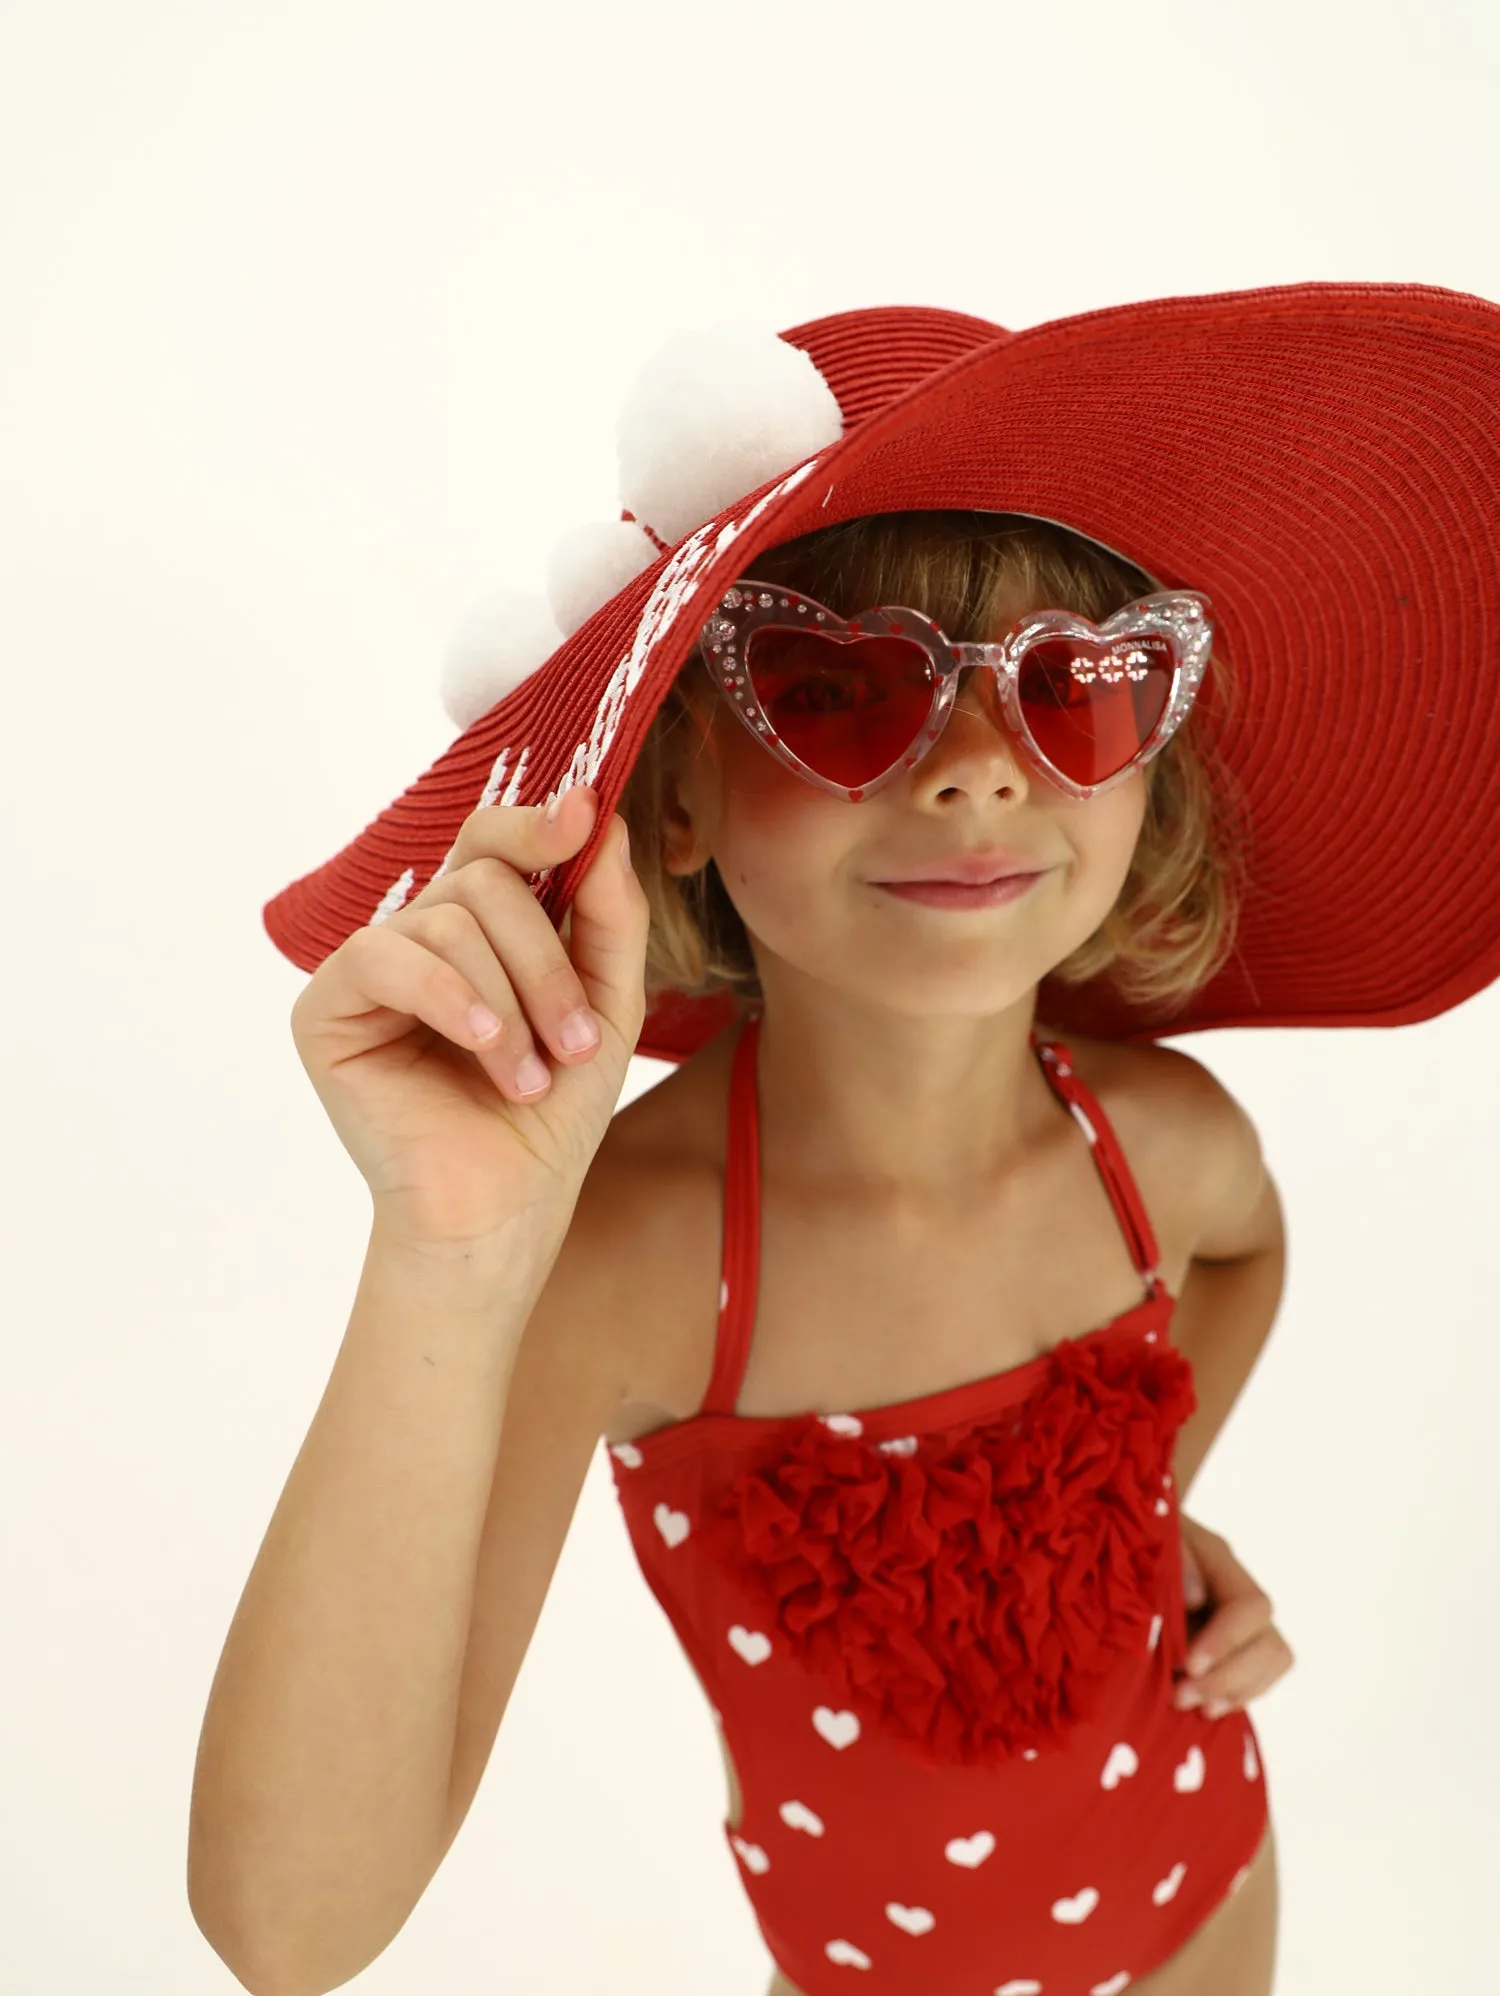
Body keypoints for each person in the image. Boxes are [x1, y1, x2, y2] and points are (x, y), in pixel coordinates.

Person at [188, 289, 1500, 1996]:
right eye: (838, 688)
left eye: (1072, 691)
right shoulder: (629, 1271)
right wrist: (446, 1255)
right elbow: (289, 1934)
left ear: (1149, 770)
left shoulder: (1165, 1150)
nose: (974, 774)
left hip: (1219, 1913)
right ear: (678, 797)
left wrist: (1139, 1518)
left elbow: (1249, 1249)